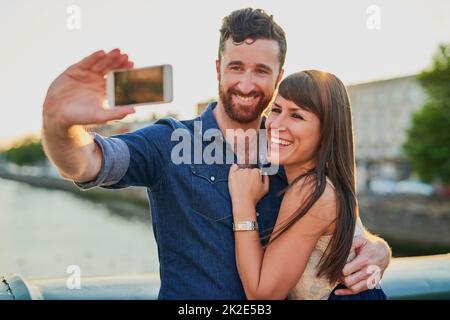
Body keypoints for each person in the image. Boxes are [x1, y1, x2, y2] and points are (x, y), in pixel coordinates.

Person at [41, 8, 391, 299]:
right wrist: (60, 127)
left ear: (279, 77)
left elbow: (334, 218)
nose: (246, 84)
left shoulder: (290, 148)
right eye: (236, 67)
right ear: (218, 70)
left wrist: (376, 247)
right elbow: (88, 162)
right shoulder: (170, 141)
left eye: (261, 71)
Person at [228, 70, 387, 300]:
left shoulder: (311, 190)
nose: (276, 124)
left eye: (297, 116)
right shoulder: (325, 182)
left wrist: (242, 203)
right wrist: (382, 248)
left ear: (326, 132)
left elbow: (262, 294)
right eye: (276, 109)